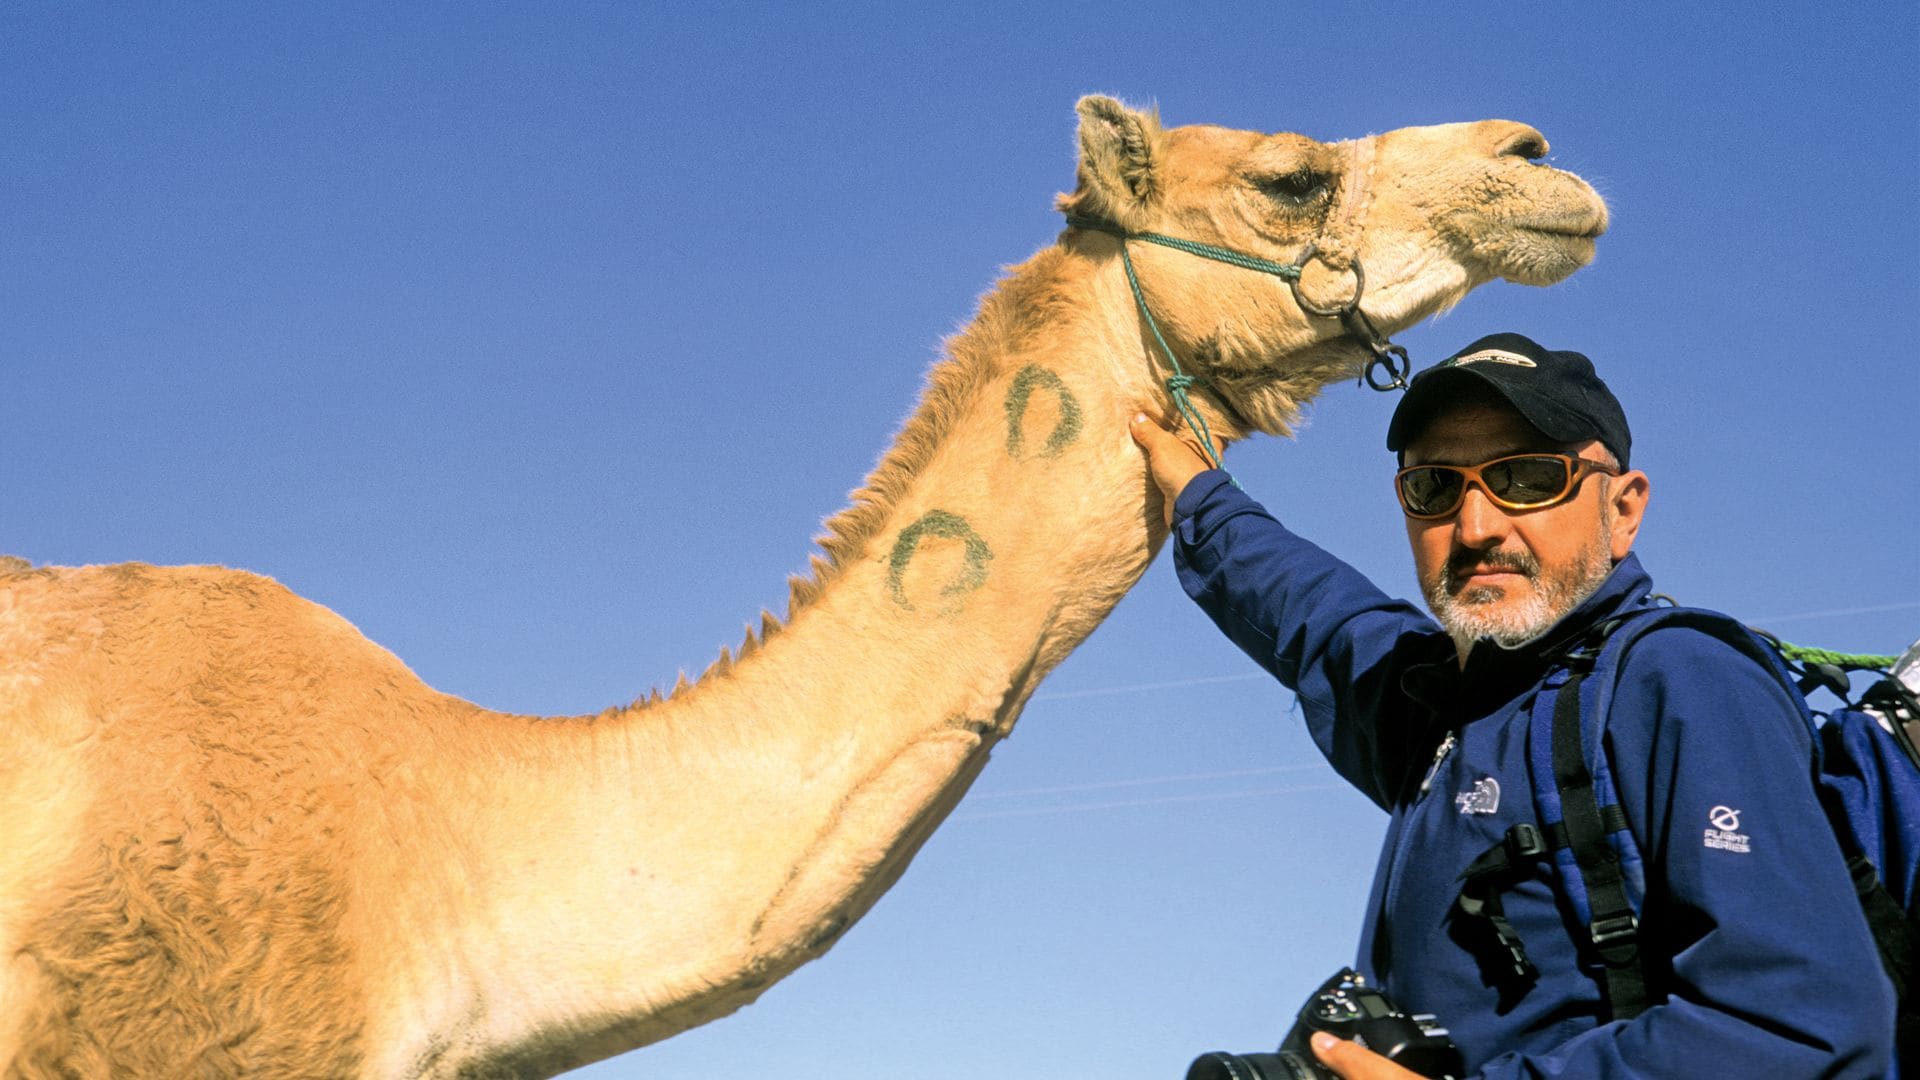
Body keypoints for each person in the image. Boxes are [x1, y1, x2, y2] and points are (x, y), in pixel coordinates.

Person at [1131, 332, 1895, 1079]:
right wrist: (1198, 492)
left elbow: (1801, 1027)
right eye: (1434, 486)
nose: (1475, 526)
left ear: (1625, 510)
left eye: (1529, 479)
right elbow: (1312, 611)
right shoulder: (1440, 707)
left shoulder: (1678, 681)